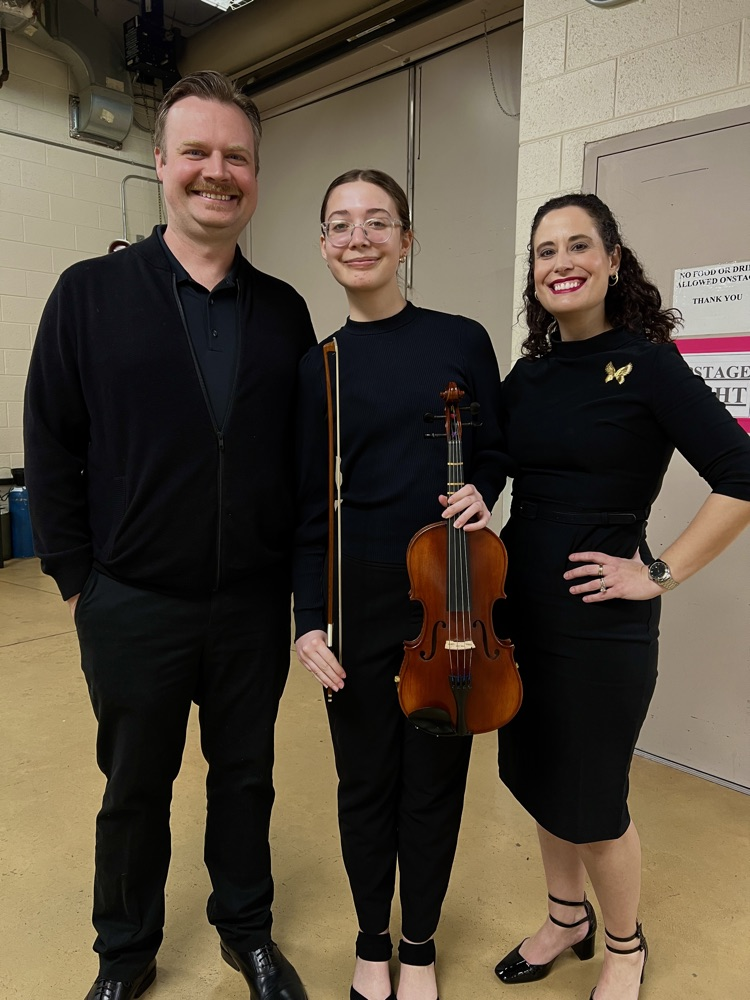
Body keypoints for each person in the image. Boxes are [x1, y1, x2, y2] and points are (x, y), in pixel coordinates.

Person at [24, 71, 315, 1000]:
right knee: (134, 790)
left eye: (236, 157)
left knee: (246, 777)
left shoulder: (283, 312)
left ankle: (247, 931)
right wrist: (80, 582)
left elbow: (303, 464)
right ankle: (125, 955)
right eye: (196, 152)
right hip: (133, 603)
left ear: (255, 177)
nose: (215, 172)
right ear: (159, 165)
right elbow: (50, 441)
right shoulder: (90, 293)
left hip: (250, 608)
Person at [492, 193, 750, 1000]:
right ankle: (565, 917)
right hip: (520, 606)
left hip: (603, 624)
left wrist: (658, 570)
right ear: (534, 276)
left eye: (578, 246)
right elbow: (492, 470)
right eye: (545, 251)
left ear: (611, 261)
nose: (560, 262)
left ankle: (625, 946)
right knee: (538, 773)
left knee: (594, 794)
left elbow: (740, 476)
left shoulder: (650, 364)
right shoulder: (527, 375)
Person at [293, 169, 507, 1000]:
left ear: (406, 240)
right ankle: (371, 941)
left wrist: (485, 489)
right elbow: (311, 506)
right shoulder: (320, 366)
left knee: (435, 780)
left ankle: (418, 943)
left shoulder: (461, 339)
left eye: (378, 222)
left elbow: (495, 450)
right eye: (341, 224)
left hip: (450, 594)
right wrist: (310, 619)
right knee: (365, 779)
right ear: (323, 246)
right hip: (356, 599)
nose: (360, 237)